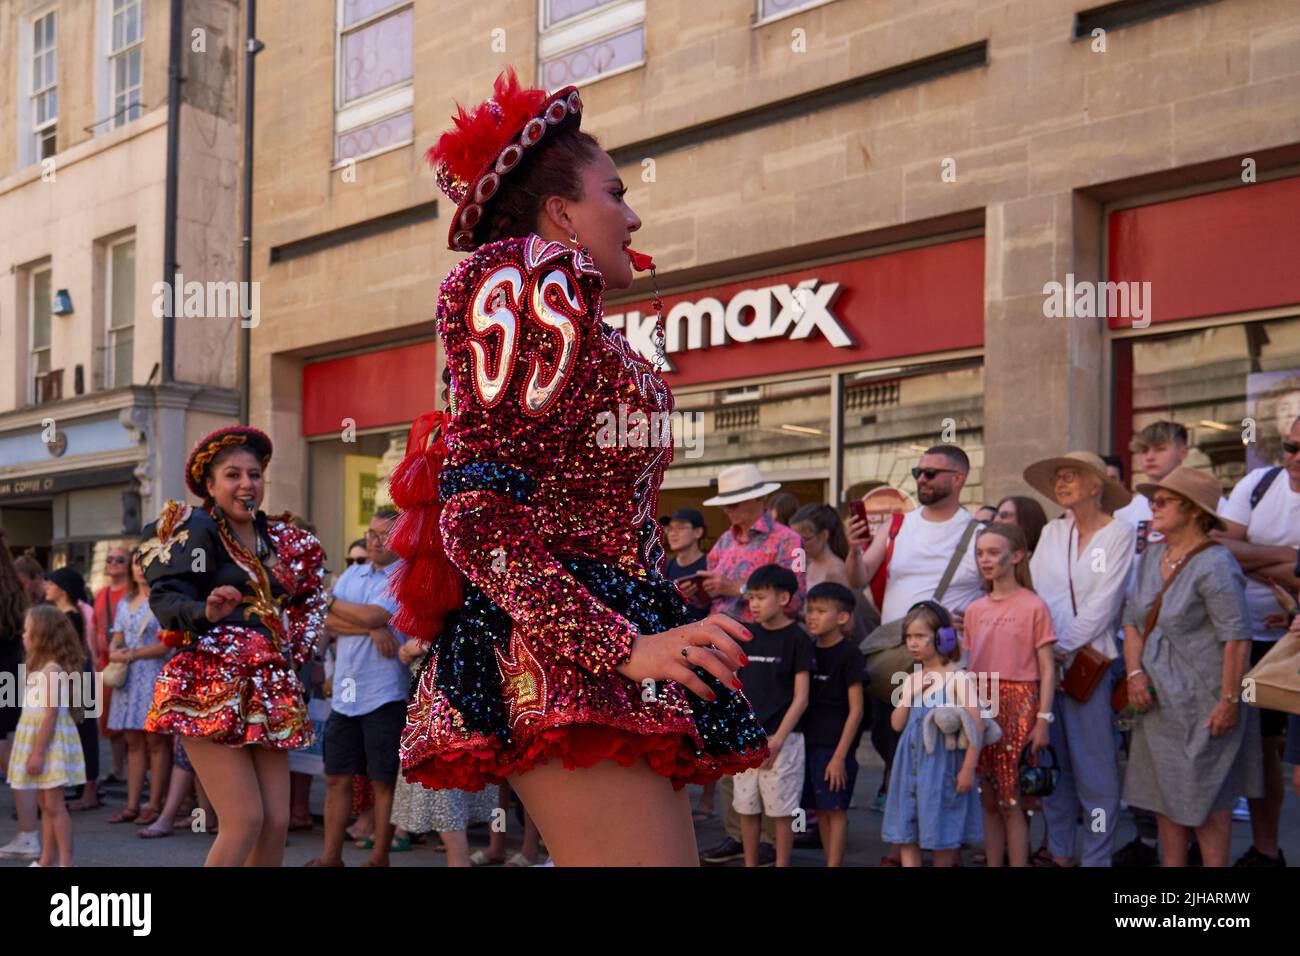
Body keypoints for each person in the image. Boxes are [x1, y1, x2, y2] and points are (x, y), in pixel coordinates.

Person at [393, 68, 764, 867]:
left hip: (588, 634)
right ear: (561, 213)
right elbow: (477, 515)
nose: (632, 215)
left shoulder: (579, 321)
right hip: (561, 654)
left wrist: (656, 590)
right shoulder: (531, 287)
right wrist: (618, 643)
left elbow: (577, 506)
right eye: (615, 193)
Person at [140, 425, 326, 866]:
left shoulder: (282, 540)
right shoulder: (197, 528)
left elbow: (309, 602)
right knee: (244, 821)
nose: (247, 484)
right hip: (209, 683)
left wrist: (293, 652)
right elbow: (166, 598)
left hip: (268, 684)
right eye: (232, 475)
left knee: (276, 823)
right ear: (210, 484)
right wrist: (206, 610)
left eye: (255, 474)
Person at [845, 444, 984, 864]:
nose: (921, 480)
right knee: (897, 751)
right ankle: (900, 843)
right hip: (897, 659)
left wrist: (971, 618)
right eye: (917, 471)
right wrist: (853, 549)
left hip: (948, 665)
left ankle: (945, 846)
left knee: (946, 755)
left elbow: (996, 591)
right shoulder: (899, 524)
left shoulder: (977, 531)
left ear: (957, 479)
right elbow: (859, 577)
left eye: (930, 473)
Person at [1122, 467, 1261, 867]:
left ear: (1195, 511)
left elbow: (1237, 637)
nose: (1154, 507)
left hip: (1205, 703)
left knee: (1208, 803)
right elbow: (1132, 621)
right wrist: (1134, 674)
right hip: (1156, 702)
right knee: (1165, 800)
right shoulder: (1151, 556)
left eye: (1164, 501)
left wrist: (1229, 701)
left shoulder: (1216, 563)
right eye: (1154, 500)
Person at [1024, 450, 1135, 867]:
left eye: (1072, 476)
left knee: (1097, 775)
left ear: (1096, 485)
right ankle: (1060, 853)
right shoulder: (1053, 533)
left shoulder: (1118, 534)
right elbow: (1036, 593)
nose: (1062, 483)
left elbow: (1104, 604)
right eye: (1058, 478)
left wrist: (1062, 647)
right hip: (1049, 664)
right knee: (1054, 769)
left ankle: (1096, 859)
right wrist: (1040, 649)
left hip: (1090, 664)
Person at [1213, 415, 1300, 867]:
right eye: (1290, 446)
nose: (1295, 458)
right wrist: (1290, 558)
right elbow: (1220, 548)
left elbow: (1238, 552)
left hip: (1296, 641)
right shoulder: (1259, 484)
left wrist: (1255, 559)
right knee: (1261, 750)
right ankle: (1267, 851)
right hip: (1248, 638)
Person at [310, 508, 410, 868]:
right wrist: (368, 625)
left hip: (384, 692)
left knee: (382, 779)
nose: (374, 541)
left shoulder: (403, 576)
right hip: (346, 693)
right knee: (337, 776)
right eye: (371, 533)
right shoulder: (354, 572)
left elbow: (371, 615)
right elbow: (330, 622)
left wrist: (332, 601)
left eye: (384, 535)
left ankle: (379, 857)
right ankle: (330, 858)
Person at [1109, 421, 1190, 866]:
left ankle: (1190, 843)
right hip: (1135, 641)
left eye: (1158, 449)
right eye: (1143, 451)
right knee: (1138, 747)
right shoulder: (1126, 512)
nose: (1150, 458)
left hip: (1189, 647)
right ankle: (1147, 840)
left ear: (1184, 450)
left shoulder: (1206, 506)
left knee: (1185, 749)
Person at [964, 523, 1056, 867]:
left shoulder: (1033, 606)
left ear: (1016, 556)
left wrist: (1043, 719)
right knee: (987, 796)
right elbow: (969, 662)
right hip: (982, 703)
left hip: (1020, 702)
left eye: (992, 552)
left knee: (1013, 799)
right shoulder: (975, 609)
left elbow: (1047, 668)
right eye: (979, 553)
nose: (984, 560)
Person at [390, 636, 509, 866]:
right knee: (447, 781)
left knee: (445, 783)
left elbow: (461, 623)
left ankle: (465, 857)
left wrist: (420, 644)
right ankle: (473, 853)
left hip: (451, 693)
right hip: (446, 689)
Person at [881, 601, 983, 866]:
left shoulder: (957, 678)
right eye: (909, 637)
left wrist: (968, 768)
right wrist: (908, 696)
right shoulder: (912, 677)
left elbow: (976, 726)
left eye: (920, 637)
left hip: (942, 767)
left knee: (942, 833)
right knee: (907, 832)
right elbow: (896, 724)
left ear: (942, 638)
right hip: (910, 766)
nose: (913, 643)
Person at [731, 564, 811, 867]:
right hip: (747, 737)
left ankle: (782, 863)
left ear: (784, 598)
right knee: (747, 806)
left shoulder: (797, 639)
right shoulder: (746, 635)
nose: (754, 604)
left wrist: (777, 741)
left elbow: (801, 697)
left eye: (761, 597)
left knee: (782, 809)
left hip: (784, 738)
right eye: (751, 597)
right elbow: (734, 686)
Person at [6, 606, 87, 867]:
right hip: (39, 741)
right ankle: (46, 859)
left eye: (28, 630)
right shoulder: (40, 668)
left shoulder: (52, 671)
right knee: (46, 806)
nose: (23, 635)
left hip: (49, 745)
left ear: (41, 635)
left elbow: (50, 715)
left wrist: (38, 753)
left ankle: (65, 862)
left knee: (55, 806)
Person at [687, 463, 808, 623]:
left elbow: (796, 599)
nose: (727, 510)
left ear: (758, 498)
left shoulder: (789, 540)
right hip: (718, 631)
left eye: (733, 504)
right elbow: (712, 595)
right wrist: (696, 593)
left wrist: (739, 590)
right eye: (724, 505)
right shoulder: (725, 540)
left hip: (759, 636)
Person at [104, 548, 173, 826]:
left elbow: (167, 643)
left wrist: (131, 654)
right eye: (136, 563)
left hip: (153, 674)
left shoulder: (164, 599)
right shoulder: (126, 599)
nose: (139, 568)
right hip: (129, 678)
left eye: (145, 563)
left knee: (156, 741)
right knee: (132, 740)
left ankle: (154, 803)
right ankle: (132, 804)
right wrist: (114, 651)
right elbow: (117, 638)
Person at [801, 581, 866, 867]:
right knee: (821, 810)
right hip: (808, 741)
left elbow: (857, 710)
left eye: (820, 610)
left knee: (836, 808)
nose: (812, 616)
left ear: (842, 617)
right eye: (810, 609)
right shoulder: (807, 648)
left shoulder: (850, 654)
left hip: (835, 746)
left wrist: (840, 756)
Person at [43, 565, 102, 812]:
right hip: (73, 677)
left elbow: (71, 654)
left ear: (63, 589)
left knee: (84, 733)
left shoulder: (72, 616)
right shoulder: (62, 614)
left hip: (76, 679)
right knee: (76, 733)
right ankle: (81, 786)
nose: (47, 586)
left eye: (51, 583)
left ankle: (89, 791)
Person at [0, 533, 37, 861]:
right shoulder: (13, 587)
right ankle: (28, 832)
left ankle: (28, 834)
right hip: (11, 673)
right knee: (12, 757)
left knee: (11, 759)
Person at [94, 545, 133, 785]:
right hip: (104, 665)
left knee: (133, 723)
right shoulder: (101, 594)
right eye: (110, 559)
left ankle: (134, 770)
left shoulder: (133, 593)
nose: (114, 563)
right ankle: (118, 770)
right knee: (109, 722)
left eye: (120, 559)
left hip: (130, 662)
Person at [789, 503, 852, 588]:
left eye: (806, 539)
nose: (799, 545)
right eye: (795, 539)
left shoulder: (835, 571)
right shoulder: (809, 563)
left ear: (824, 535)